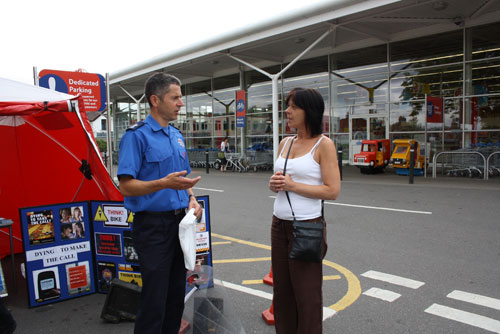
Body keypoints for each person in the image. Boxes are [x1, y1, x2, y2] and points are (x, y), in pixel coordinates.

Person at [117, 72, 202, 334]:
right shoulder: (136, 136)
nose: (180, 103)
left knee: (176, 295)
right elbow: (125, 185)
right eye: (174, 97)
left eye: (180, 97)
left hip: (180, 223)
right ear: (155, 100)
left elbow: (183, 179)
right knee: (155, 299)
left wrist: (192, 199)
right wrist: (162, 184)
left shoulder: (176, 135)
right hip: (153, 226)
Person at [268, 87, 341, 334]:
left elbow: (332, 190)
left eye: (293, 107)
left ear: (308, 111)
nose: (287, 111)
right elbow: (281, 181)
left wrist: (292, 185)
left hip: (307, 226)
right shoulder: (285, 143)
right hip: (279, 224)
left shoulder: (324, 145)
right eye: (287, 106)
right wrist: (275, 184)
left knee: (307, 296)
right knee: (282, 293)